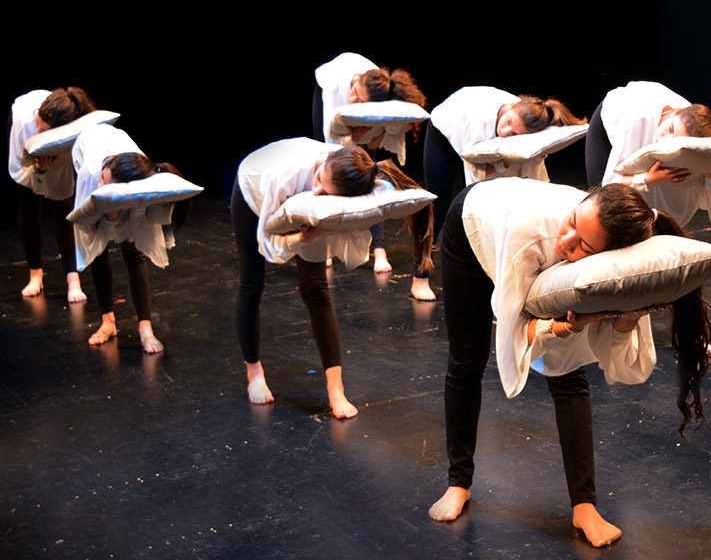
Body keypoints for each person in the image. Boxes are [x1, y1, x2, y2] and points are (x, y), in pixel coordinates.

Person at [427, 178, 711, 547]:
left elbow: (627, 366)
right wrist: (563, 327)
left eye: (583, 245)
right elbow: (511, 340)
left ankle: (585, 506)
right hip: (474, 225)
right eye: (572, 222)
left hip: (526, 236)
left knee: (570, 375)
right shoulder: (529, 236)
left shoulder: (618, 267)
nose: (567, 241)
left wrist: (625, 319)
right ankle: (458, 482)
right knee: (468, 360)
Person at [232, 138, 433, 419]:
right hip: (253, 187)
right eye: (317, 179)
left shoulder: (355, 176)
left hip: (309, 209)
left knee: (316, 290)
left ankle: (336, 389)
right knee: (252, 282)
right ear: (324, 163)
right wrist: (301, 237)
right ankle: (254, 373)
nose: (316, 189)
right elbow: (268, 245)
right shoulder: (288, 174)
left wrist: (318, 231)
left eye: (323, 189)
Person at [312, 52, 434, 298]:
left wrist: (366, 136)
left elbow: (382, 137)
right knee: (328, 169)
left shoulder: (379, 95)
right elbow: (331, 141)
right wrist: (353, 138)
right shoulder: (336, 85)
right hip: (325, 91)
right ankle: (324, 246)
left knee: (368, 172)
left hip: (367, 114)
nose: (353, 97)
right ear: (356, 80)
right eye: (355, 90)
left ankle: (379, 248)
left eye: (359, 99)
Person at [71, 124, 192, 354]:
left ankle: (145, 328)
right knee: (99, 251)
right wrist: (109, 216)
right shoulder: (91, 175)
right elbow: (89, 233)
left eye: (106, 183)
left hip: (125, 179)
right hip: (85, 146)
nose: (101, 186)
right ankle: (108, 322)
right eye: (103, 178)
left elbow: (136, 231)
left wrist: (119, 214)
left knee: (134, 252)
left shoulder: (137, 185)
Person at [584, 80, 711, 231]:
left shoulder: (699, 138)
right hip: (610, 116)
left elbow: (706, 200)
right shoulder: (637, 120)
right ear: (675, 111)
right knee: (601, 206)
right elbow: (608, 184)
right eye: (670, 129)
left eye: (676, 140)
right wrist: (648, 179)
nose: (665, 141)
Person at [425, 87, 585, 230]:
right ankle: (423, 256)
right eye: (508, 121)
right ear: (512, 106)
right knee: (439, 205)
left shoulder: (528, 120)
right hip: (443, 130)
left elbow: (536, 182)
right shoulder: (480, 123)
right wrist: (506, 163)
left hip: (472, 132)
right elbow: (476, 182)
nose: (505, 131)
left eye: (514, 134)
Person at [8, 87, 97, 301]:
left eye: (43, 129)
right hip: (26, 153)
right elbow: (18, 168)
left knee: (63, 207)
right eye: (38, 124)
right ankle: (35, 274)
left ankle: (72, 278)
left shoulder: (73, 132)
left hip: (60, 149)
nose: (38, 132)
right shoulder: (25, 123)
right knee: (29, 205)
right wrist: (38, 170)